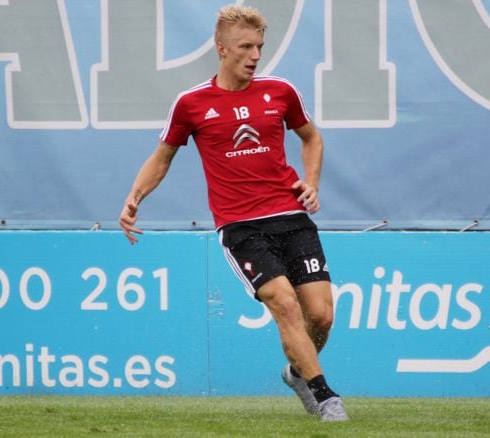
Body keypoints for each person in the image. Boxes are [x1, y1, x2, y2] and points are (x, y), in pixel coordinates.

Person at [118, 5, 348, 422]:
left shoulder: (280, 91)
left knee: (321, 313)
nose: (255, 55)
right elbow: (162, 158)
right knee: (284, 303)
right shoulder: (191, 103)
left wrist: (311, 182)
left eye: (259, 46)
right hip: (240, 227)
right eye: (245, 46)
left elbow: (312, 139)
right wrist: (135, 198)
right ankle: (325, 396)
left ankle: (298, 372)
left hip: (291, 217)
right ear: (221, 49)